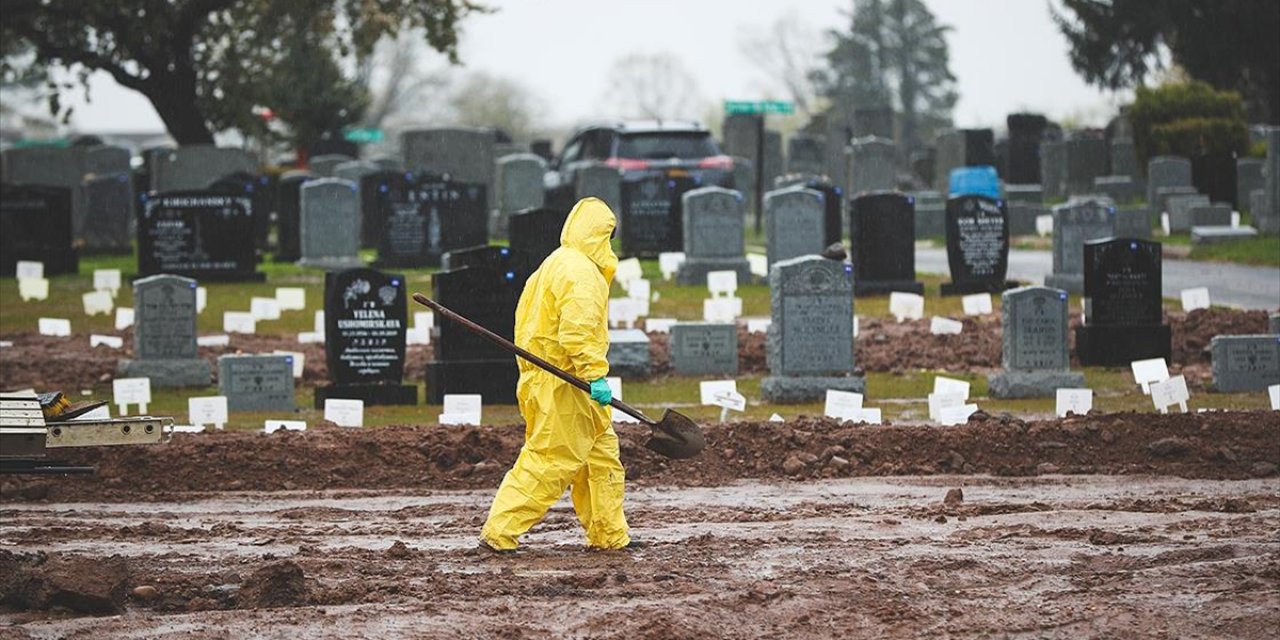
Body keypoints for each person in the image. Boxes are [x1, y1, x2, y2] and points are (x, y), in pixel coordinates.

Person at [479, 197, 634, 553]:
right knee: (550, 460)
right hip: (564, 384)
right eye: (608, 236)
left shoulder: (554, 263)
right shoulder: (580, 273)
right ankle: (499, 533)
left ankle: (609, 535)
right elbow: (576, 332)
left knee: (600, 458)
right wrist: (595, 374)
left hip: (559, 381)